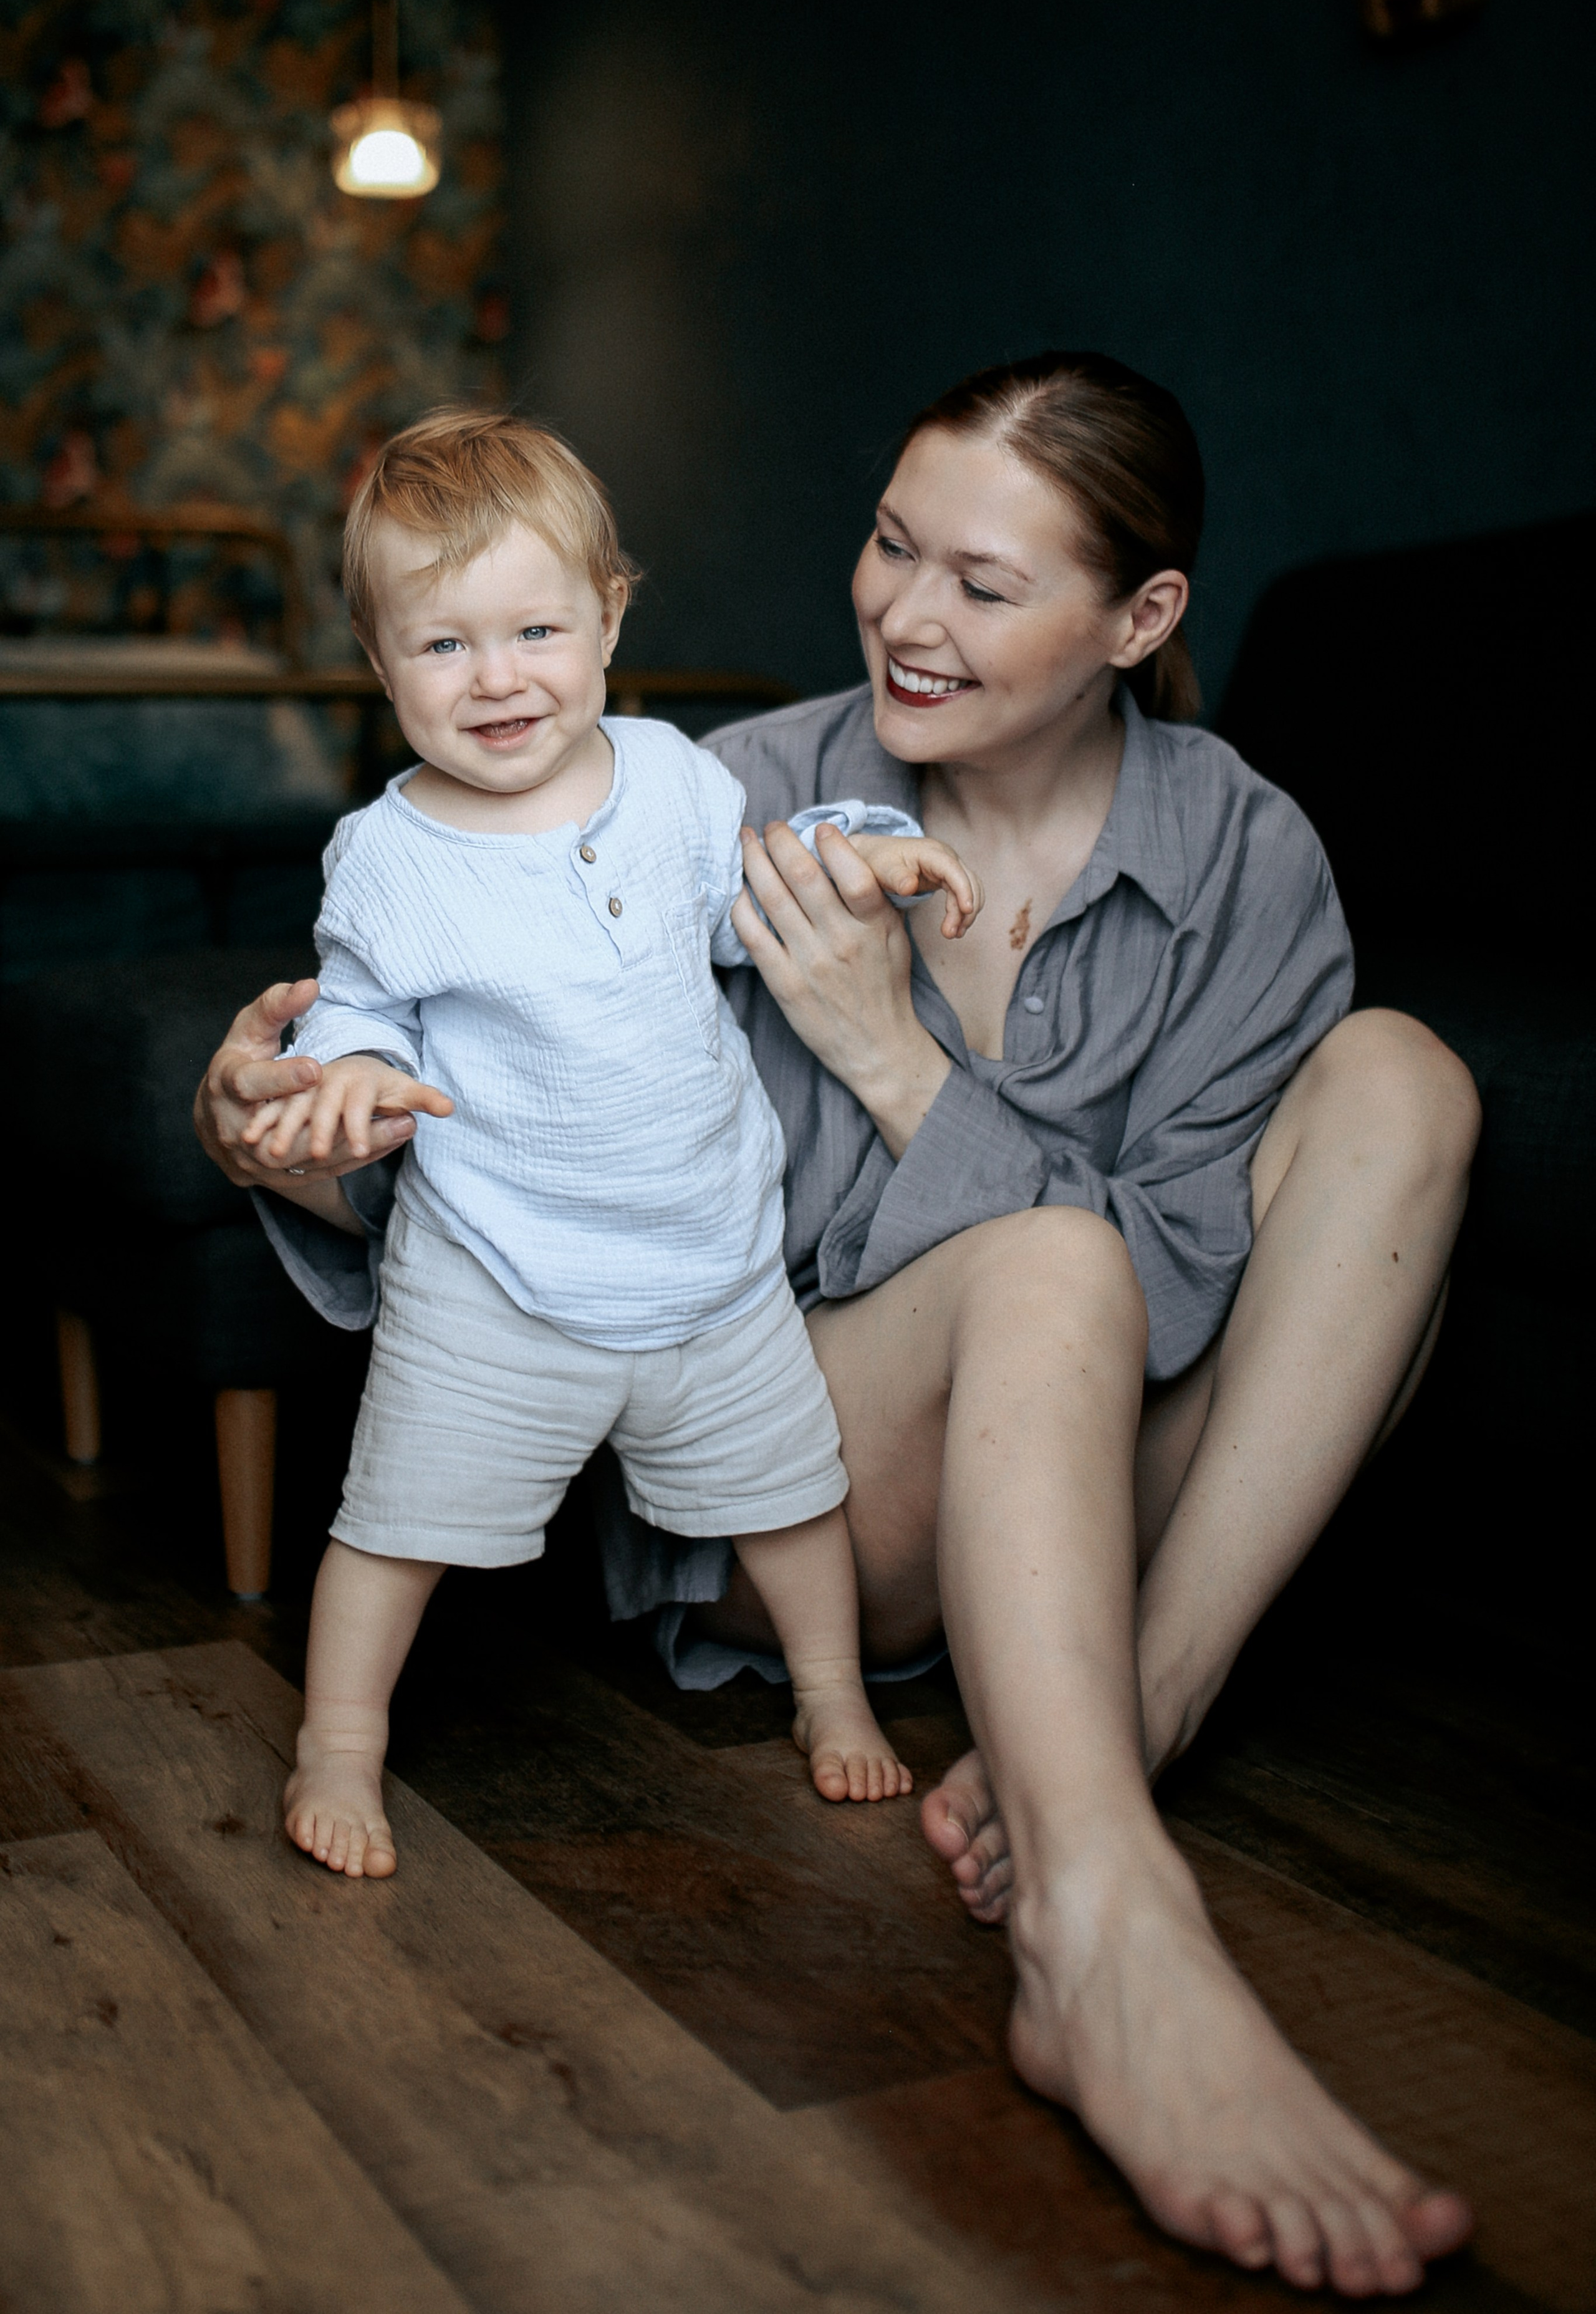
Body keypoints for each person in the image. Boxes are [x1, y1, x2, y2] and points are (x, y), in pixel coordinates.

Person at [196, 354, 1481, 2296]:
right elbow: (515, 1156)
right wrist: (269, 1136)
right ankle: (1105, 1922)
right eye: (893, 545)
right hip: (803, 1475)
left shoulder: (1244, 852)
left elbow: (1193, 1299)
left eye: (984, 582)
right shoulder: (733, 792)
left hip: (1113, 1466)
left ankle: (1132, 1715)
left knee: (1406, 1080)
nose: (904, 614)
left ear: (1139, 618)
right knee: (1051, 1264)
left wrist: (896, 1064)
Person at [248, 408, 984, 1881]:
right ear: (378, 660)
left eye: (534, 630)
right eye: (443, 644)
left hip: (708, 1254)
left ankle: (829, 1692)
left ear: (607, 620)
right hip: (494, 1270)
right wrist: (350, 1076)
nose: (497, 677)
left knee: (791, 1496)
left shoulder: (668, 776)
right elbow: (362, 1006)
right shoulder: (387, 855)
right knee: (395, 1525)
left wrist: (858, 855)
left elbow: (750, 894)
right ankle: (338, 1740)